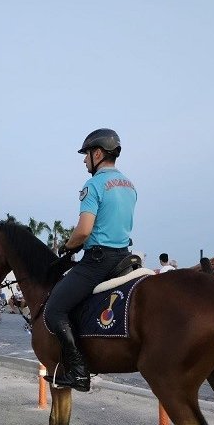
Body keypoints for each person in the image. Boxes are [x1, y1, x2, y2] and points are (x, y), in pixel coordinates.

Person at [44, 128, 137, 392]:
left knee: (54, 309)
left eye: (86, 155)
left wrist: (67, 245)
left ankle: (79, 371)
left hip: (98, 260)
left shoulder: (93, 185)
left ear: (98, 153)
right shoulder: (129, 185)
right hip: (124, 258)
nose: (85, 160)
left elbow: (84, 230)